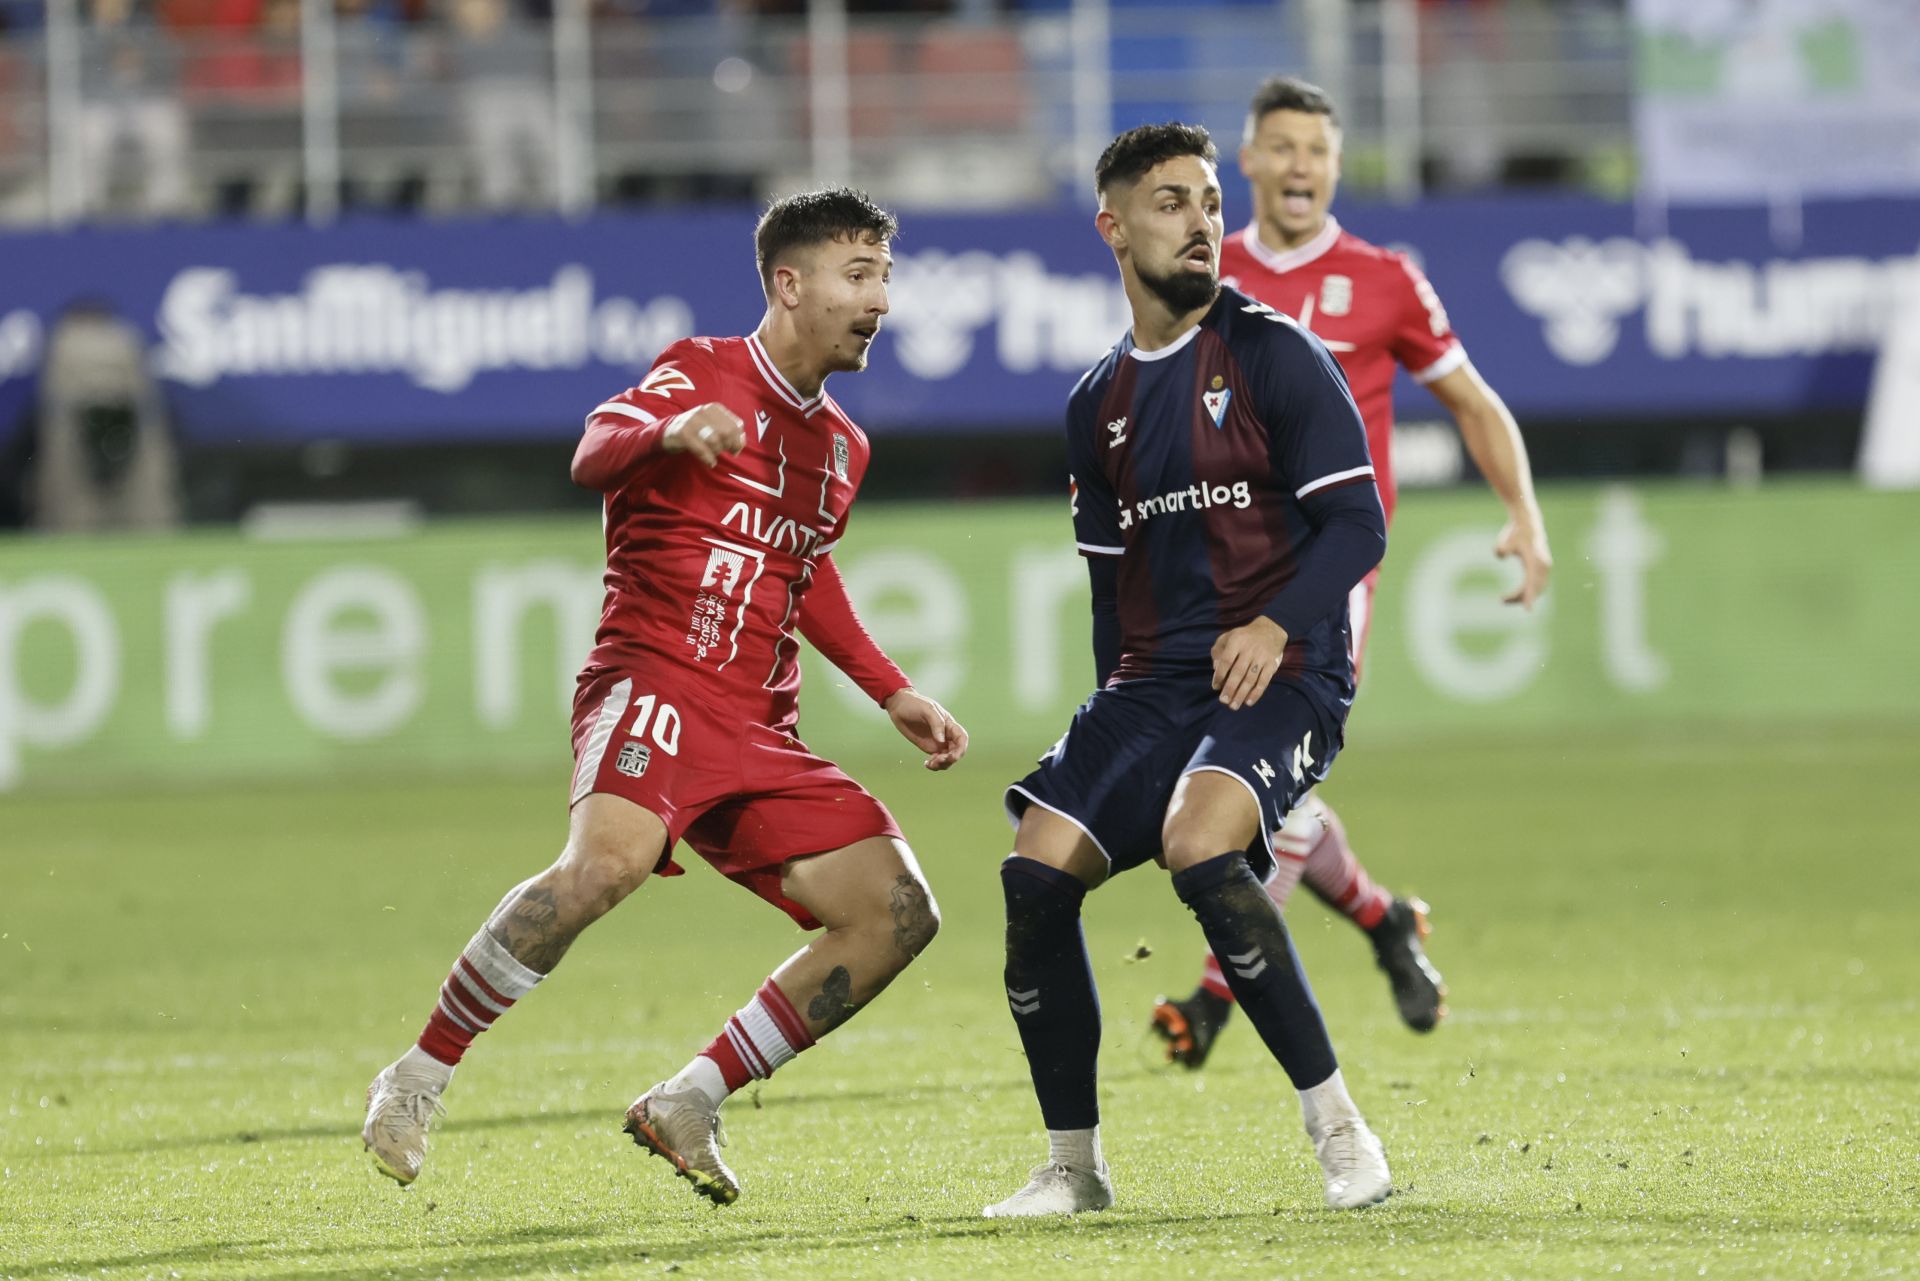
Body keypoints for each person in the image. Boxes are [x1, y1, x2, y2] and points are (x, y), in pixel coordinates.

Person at [362, 188, 967, 1205]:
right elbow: (593, 449)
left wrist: (890, 690)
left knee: (897, 913)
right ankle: (418, 1074)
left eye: (885, 277)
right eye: (859, 275)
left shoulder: (843, 449)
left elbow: (802, 570)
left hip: (759, 725)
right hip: (654, 680)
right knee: (605, 868)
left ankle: (693, 1095)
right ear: (790, 283)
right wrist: (668, 433)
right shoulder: (700, 368)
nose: (880, 301)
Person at [985, 123, 1392, 1219]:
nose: (1203, 221)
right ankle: (1074, 1168)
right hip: (1153, 686)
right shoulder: (1096, 403)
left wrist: (1275, 626)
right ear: (1114, 226)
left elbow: (1357, 527)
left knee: (1201, 846)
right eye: (1172, 202)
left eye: (1211, 201)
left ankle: (1341, 1129)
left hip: (1289, 673)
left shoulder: (1272, 352)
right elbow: (1110, 588)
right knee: (1034, 875)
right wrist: (1107, 710)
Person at [1149, 75, 1554, 1065]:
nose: (1299, 166)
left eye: (1317, 151)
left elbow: (1474, 401)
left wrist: (1524, 515)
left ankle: (1212, 997)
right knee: (1232, 780)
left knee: (1267, 787)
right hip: (1216, 574)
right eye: (1281, 147)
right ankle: (1384, 922)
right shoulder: (1206, 271)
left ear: (1336, 166)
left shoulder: (1384, 279)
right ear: (1247, 161)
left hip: (1327, 577)